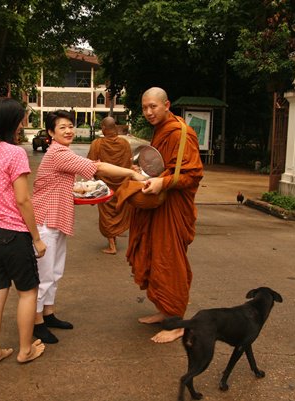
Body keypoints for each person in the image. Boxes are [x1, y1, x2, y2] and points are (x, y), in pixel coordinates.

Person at [31, 110, 146, 344]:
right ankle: (36, 323)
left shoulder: (62, 153)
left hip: (57, 220)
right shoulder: (58, 153)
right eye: (62, 127)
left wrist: (79, 191)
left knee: (54, 272)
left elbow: (64, 184)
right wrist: (133, 176)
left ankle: (48, 314)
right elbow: (99, 168)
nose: (69, 130)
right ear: (51, 133)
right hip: (45, 221)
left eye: (70, 126)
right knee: (43, 276)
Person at [123, 87, 203, 343]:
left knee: (169, 260)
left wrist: (163, 183)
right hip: (159, 205)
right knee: (155, 256)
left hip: (173, 207)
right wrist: (144, 171)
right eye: (144, 107)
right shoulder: (162, 130)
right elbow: (162, 165)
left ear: (166, 104)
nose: (148, 112)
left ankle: (177, 322)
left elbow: (193, 174)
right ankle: (163, 310)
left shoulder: (181, 134)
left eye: (153, 107)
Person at [0, 98, 46, 366]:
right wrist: (37, 238)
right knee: (28, 292)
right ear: (12, 122)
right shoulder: (14, 153)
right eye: (21, 118)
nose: (23, 122)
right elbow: (22, 200)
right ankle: (24, 350)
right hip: (12, 234)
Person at [87, 116, 134, 254]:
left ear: (103, 128)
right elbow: (129, 164)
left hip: (105, 185)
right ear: (115, 128)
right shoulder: (125, 143)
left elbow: (91, 164)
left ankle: (112, 246)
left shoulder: (97, 143)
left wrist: (94, 183)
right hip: (122, 184)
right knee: (119, 211)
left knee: (107, 215)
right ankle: (117, 232)